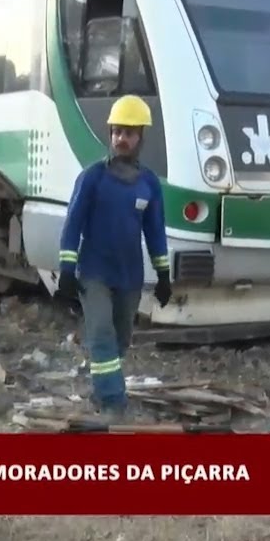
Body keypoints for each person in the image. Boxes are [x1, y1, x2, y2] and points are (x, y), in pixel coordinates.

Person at [57, 95, 171, 420]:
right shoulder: (92, 177)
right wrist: (67, 268)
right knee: (102, 334)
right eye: (117, 131)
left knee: (121, 339)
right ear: (110, 134)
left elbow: (156, 232)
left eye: (129, 133)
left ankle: (103, 387)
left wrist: (163, 276)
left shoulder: (149, 184)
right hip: (94, 273)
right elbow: (73, 224)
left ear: (140, 138)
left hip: (129, 276)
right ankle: (112, 402)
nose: (121, 138)